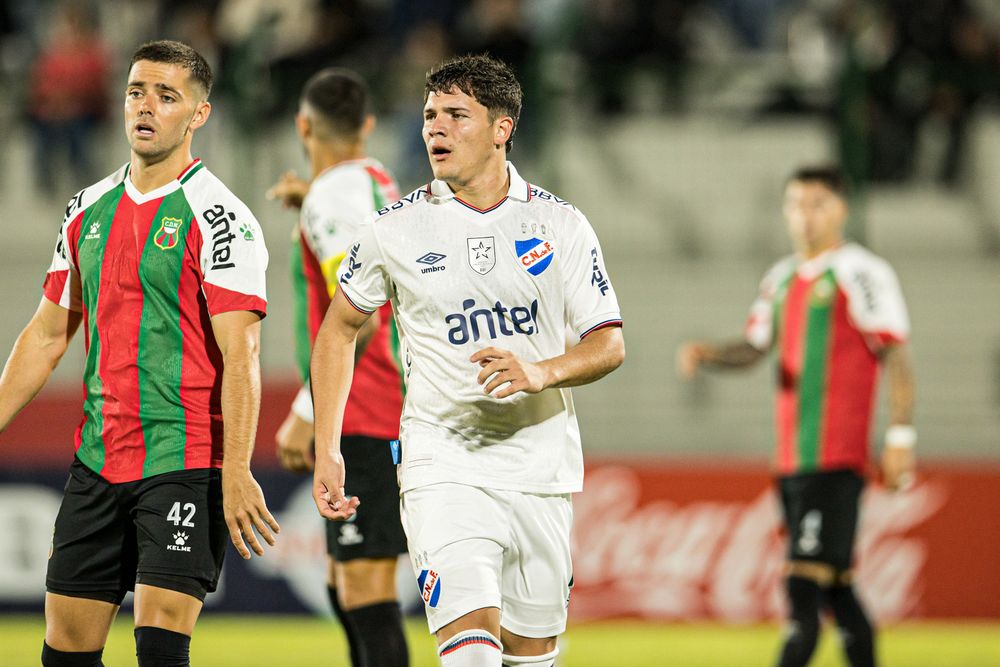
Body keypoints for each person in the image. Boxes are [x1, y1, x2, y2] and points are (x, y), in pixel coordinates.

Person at [310, 54, 626, 667]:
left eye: (457, 115)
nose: (435, 129)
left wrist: (541, 371)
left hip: (542, 471)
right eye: (430, 116)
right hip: (442, 463)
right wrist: (329, 444)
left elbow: (607, 342)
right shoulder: (394, 229)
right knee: (470, 651)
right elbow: (337, 331)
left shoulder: (560, 224)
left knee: (529, 657)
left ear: (502, 128)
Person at [0, 40, 279, 667]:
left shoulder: (222, 218)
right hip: (98, 460)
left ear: (198, 114)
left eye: (166, 96)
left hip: (184, 460)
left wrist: (236, 469)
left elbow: (243, 353)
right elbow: (46, 335)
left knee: (158, 645)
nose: (145, 107)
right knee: (64, 653)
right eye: (135, 92)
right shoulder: (86, 209)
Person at [677, 165, 916, 667]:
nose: (804, 217)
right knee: (837, 588)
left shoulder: (861, 272)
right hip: (791, 461)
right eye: (795, 205)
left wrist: (899, 436)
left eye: (817, 204)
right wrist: (709, 354)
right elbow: (755, 347)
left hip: (836, 459)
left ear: (841, 209)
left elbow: (895, 353)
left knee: (801, 587)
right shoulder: (781, 278)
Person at [266, 68, 409, 667]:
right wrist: (312, 201)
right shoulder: (380, 182)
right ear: (368, 127)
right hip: (388, 406)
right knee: (340, 579)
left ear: (303, 125)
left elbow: (362, 318)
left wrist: (307, 411)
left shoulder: (333, 198)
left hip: (366, 411)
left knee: (363, 590)